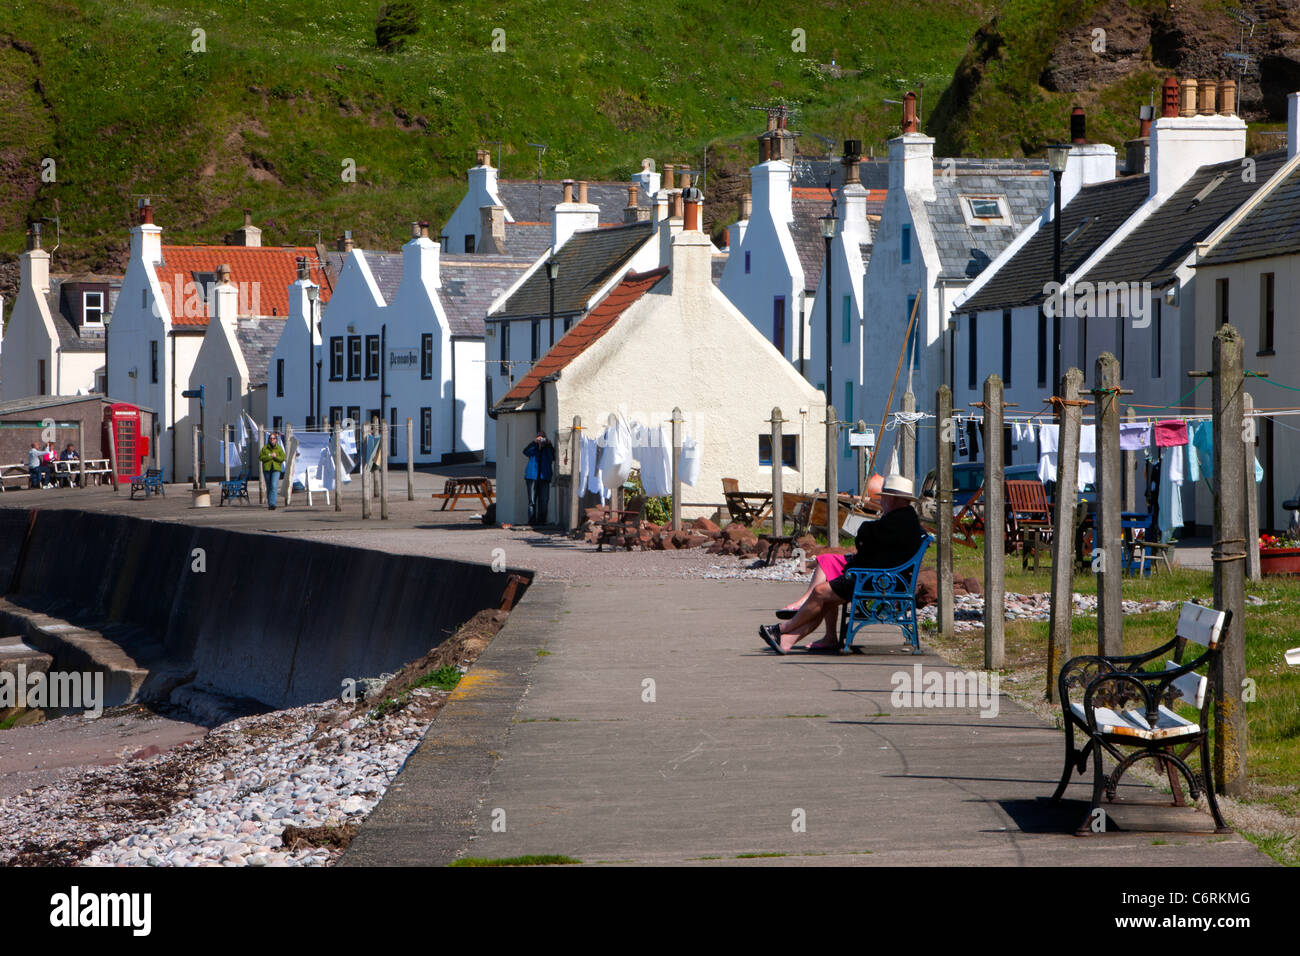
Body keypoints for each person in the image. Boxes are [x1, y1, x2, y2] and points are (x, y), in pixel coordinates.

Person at [760, 474, 923, 654]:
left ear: (893, 499)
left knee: (820, 592)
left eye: (884, 497)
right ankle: (787, 640)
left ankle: (782, 628)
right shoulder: (903, 519)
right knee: (825, 595)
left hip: (877, 581)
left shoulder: (897, 522)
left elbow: (866, 538)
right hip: (881, 576)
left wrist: (865, 535)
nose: (882, 500)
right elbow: (872, 544)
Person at [523, 430, 555, 525]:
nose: (541, 440)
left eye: (543, 437)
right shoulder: (534, 447)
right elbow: (525, 452)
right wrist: (534, 442)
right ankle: (532, 522)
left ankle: (542, 521)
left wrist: (549, 445)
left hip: (544, 477)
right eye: (539, 437)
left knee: (544, 500)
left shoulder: (548, 448)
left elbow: (553, 457)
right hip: (532, 477)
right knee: (532, 501)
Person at [260, 432, 286, 510]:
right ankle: (270, 503)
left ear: (276, 440)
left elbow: (283, 458)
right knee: (269, 487)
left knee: (274, 486)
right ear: (268, 439)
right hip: (267, 469)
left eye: (273, 438)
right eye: (270, 438)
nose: (272, 440)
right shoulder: (265, 448)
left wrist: (276, 457)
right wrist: (270, 456)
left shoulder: (279, 448)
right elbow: (261, 457)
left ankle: (272, 504)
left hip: (276, 469)